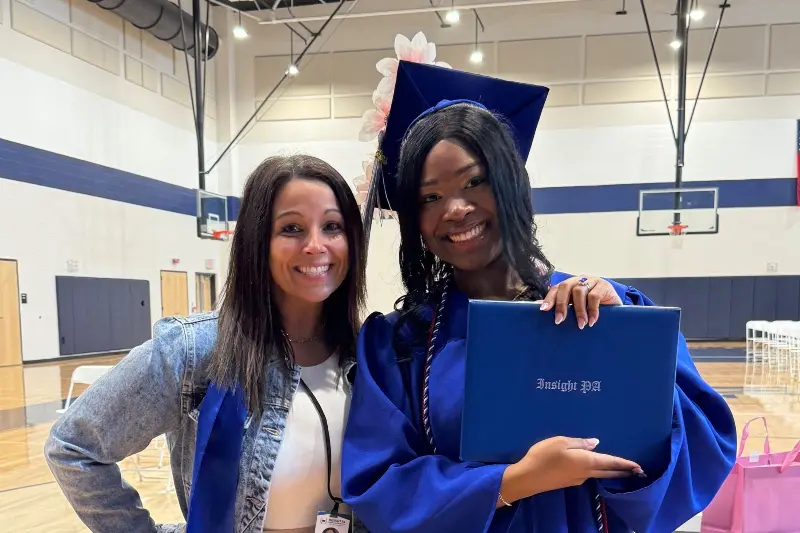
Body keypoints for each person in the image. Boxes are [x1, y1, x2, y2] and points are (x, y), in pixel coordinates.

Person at [341, 62, 738, 533]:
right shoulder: (397, 345)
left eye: (475, 181)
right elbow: (379, 483)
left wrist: (623, 350)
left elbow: (701, 447)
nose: (455, 209)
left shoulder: (607, 311)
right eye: (430, 198)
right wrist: (513, 481)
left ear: (512, 182)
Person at [45, 154, 368, 533]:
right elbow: (73, 446)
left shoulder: (367, 356)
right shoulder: (193, 351)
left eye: (332, 226)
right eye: (292, 228)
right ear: (257, 241)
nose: (316, 245)